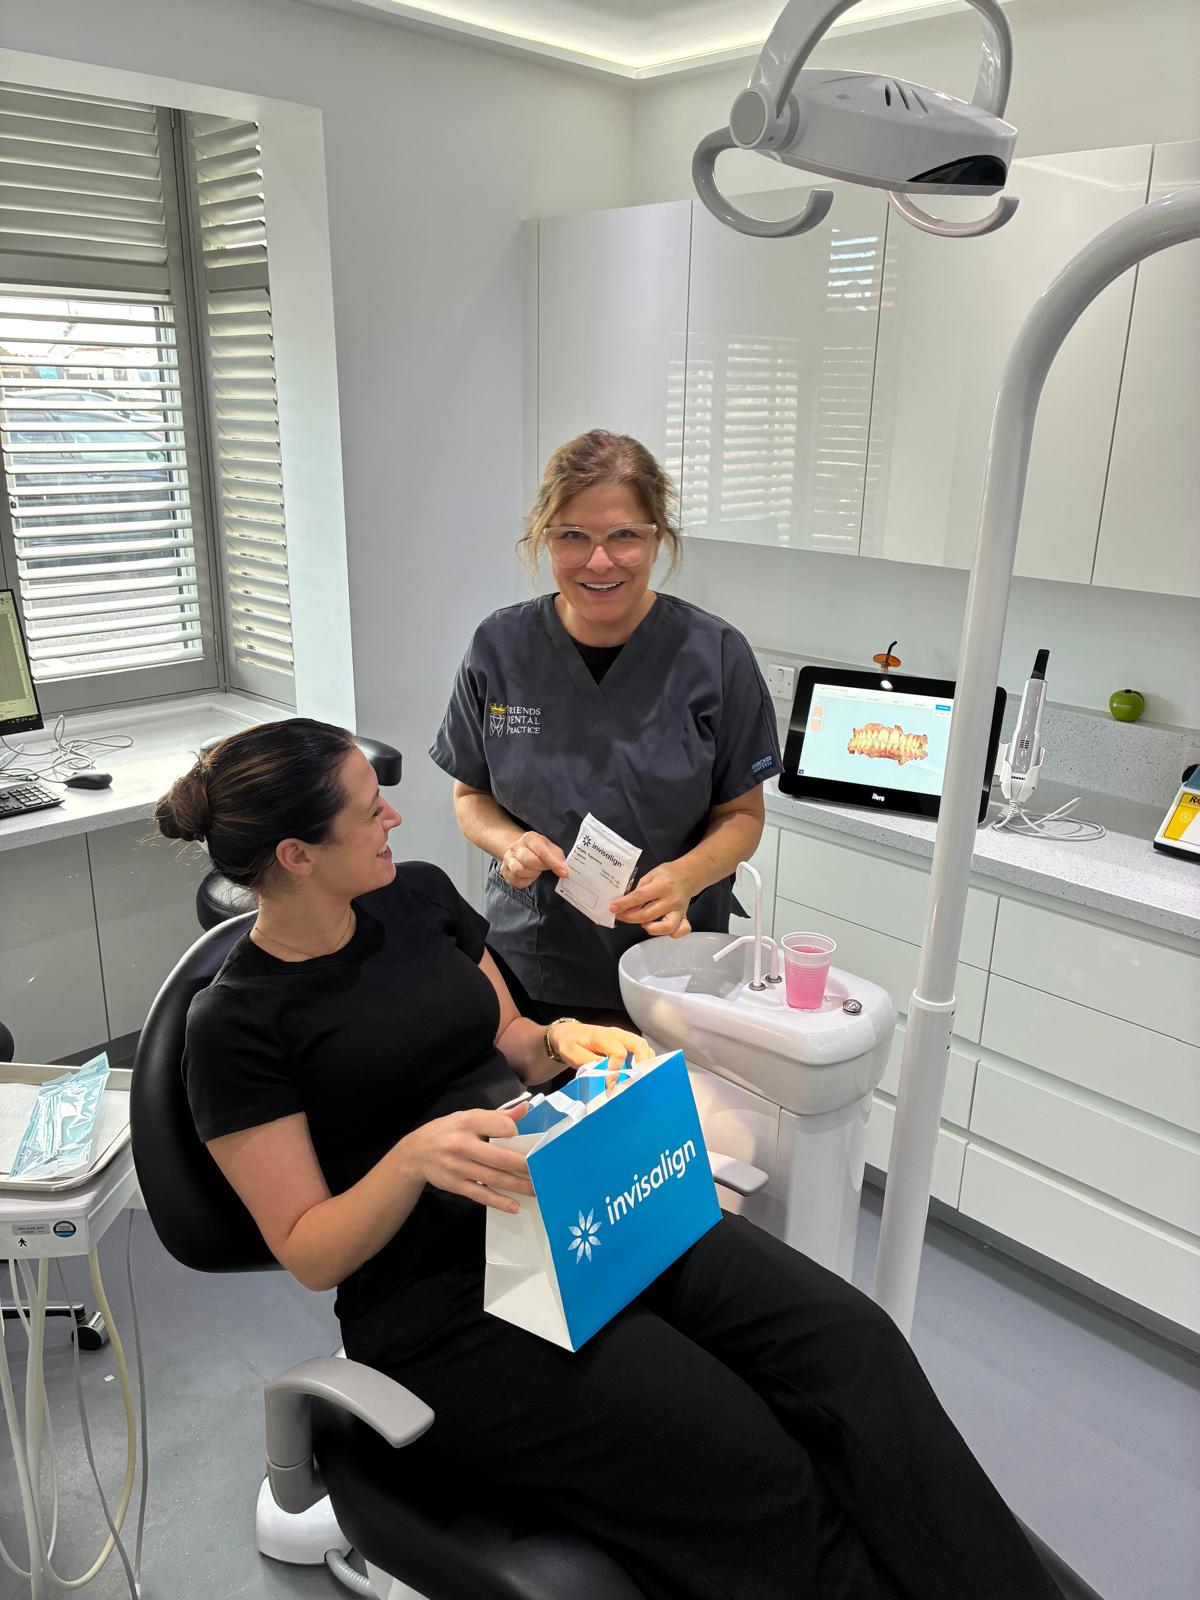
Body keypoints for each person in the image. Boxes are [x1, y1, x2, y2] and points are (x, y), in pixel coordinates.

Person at [157, 719, 1063, 1600]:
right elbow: (311, 1249)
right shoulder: (233, 1027)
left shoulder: (418, 896)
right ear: (296, 855)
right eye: (368, 809)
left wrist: (569, 1040)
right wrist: (410, 1161)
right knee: (744, 1460)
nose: (394, 816)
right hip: (442, 1300)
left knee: (853, 1351)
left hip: (586, 1200)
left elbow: (507, 1031)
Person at [430, 429, 783, 1024]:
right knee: (545, 1115)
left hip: (674, 962)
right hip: (533, 966)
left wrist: (685, 876)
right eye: (573, 536)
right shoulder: (500, 646)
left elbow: (743, 816)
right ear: (545, 539)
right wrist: (508, 843)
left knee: (668, 1114)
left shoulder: (716, 655)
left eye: (624, 535)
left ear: (657, 539)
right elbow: (470, 796)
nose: (599, 561)